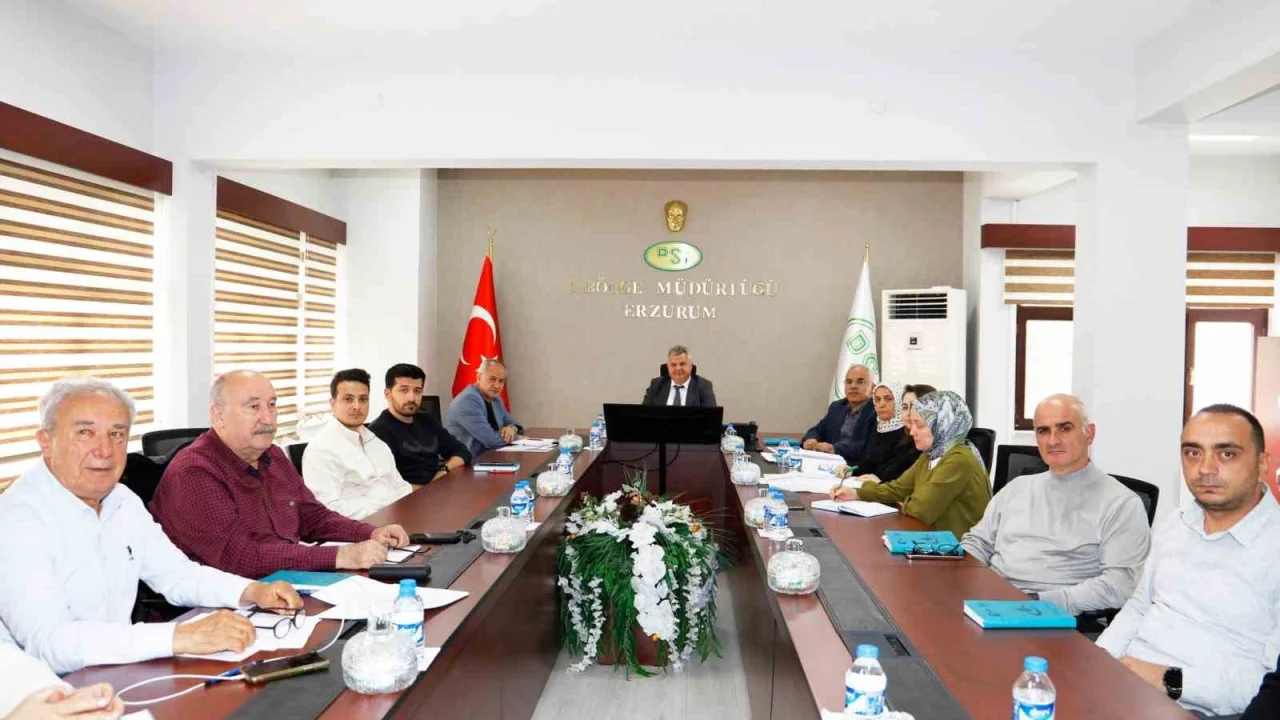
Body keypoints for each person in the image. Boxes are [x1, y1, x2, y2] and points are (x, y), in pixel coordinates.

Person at [0, 378, 302, 675]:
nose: (105, 450)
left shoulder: (122, 500)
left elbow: (177, 574)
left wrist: (251, 590)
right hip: (46, 689)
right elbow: (50, 643)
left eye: (117, 434)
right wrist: (181, 636)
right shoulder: (17, 518)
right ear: (46, 442)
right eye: (84, 433)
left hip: (118, 671)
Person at [1097, 404, 1280, 717]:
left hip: (1202, 709)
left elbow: (1272, 687)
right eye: (1193, 453)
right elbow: (1139, 606)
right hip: (1128, 687)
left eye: (1226, 454)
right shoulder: (1177, 523)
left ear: (1262, 463)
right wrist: (1099, 661)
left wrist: (1170, 680)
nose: (1205, 468)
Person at [151, 370, 409, 578]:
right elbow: (238, 558)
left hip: (283, 579)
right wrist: (340, 556)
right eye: (254, 407)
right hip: (222, 605)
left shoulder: (273, 455)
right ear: (218, 416)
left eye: (272, 405)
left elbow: (313, 517)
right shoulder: (195, 472)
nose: (268, 418)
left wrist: (369, 532)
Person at [959, 394, 1150, 616]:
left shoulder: (1121, 504)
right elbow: (978, 542)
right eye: (1043, 431)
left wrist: (1039, 601)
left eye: (1064, 428)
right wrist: (960, 575)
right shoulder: (1017, 488)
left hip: (1047, 615)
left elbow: (1120, 585)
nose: (1052, 441)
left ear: (1089, 434)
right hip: (989, 602)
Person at [834, 390, 989, 537]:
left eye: (919, 425)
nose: (913, 431)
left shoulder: (959, 460)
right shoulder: (930, 454)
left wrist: (905, 500)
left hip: (957, 549)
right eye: (913, 424)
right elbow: (897, 489)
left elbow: (919, 510)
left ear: (942, 425)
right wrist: (856, 493)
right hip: (931, 538)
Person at [301, 368, 415, 520]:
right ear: (333, 403)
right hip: (362, 527)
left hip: (398, 517)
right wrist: (384, 511)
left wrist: (408, 511)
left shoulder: (376, 442)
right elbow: (327, 509)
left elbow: (400, 486)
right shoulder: (320, 450)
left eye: (363, 399)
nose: (357, 406)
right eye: (348, 399)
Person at [367, 363, 471, 485]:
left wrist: (443, 471)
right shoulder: (378, 431)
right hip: (410, 494)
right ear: (388, 394)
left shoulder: (426, 420)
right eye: (404, 390)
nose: (412, 398)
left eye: (417, 391)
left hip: (438, 487)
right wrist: (427, 490)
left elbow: (462, 451)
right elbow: (387, 485)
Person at [833, 381, 920, 486]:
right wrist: (851, 469)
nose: (881, 404)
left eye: (888, 399)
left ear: (899, 402)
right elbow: (868, 464)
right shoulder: (877, 426)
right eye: (877, 399)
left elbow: (899, 477)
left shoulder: (910, 434)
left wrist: (880, 483)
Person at [445, 359, 524, 458]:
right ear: (479, 377)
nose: (497, 386)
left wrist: (512, 428)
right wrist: (518, 438)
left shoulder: (496, 400)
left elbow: (515, 424)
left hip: (490, 457)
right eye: (492, 379)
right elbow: (491, 440)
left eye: (501, 381)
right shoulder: (468, 400)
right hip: (466, 462)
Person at [802, 364, 876, 465]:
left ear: (873, 387)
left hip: (855, 466)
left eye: (860, 382)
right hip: (828, 462)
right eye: (849, 382)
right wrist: (811, 439)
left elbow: (866, 446)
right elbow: (818, 429)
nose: (853, 386)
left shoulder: (877, 411)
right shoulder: (837, 406)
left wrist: (833, 448)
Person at [641, 345, 717, 407]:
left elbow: (711, 417)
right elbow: (644, 414)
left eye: (682, 364)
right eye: (673, 365)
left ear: (690, 366)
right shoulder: (656, 385)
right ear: (668, 367)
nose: (678, 368)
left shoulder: (703, 386)